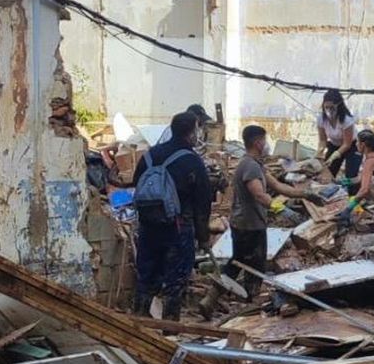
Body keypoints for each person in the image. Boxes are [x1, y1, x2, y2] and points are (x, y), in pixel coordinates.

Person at [131, 112, 212, 321]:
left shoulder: (150, 155)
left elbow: (136, 184)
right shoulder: (192, 161)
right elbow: (202, 202)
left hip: (148, 227)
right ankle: (170, 331)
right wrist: (203, 237)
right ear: (192, 132)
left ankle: (138, 324)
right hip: (178, 228)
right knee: (174, 283)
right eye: (197, 129)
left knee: (146, 278)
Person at [225, 125, 321, 298]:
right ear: (257, 143)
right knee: (254, 264)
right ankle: (249, 298)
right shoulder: (250, 166)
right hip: (249, 225)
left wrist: (305, 194)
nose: (267, 144)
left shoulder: (256, 165)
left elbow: (278, 186)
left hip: (246, 222)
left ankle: (216, 297)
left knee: (238, 261)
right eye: (265, 140)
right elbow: (260, 195)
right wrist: (281, 209)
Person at [317, 89, 361, 181]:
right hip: (334, 145)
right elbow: (322, 140)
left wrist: (335, 155)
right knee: (327, 171)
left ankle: (353, 193)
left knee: (351, 175)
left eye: (332, 107)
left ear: (338, 106)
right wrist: (320, 151)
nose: (329, 110)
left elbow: (347, 144)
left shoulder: (346, 120)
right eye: (326, 107)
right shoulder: (321, 118)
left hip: (352, 146)